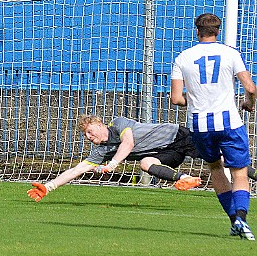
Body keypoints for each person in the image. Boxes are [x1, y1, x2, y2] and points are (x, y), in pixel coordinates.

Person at [170, 12, 256, 241]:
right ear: (218, 31)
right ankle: (241, 218)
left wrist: (197, 99)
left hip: (200, 125)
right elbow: (251, 86)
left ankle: (233, 221)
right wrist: (249, 103)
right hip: (230, 123)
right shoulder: (230, 53)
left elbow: (176, 98)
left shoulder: (183, 57)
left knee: (216, 168)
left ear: (197, 31)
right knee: (239, 172)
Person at [27, 114, 203, 202]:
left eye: (89, 131)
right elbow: (77, 169)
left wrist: (112, 165)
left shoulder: (118, 124)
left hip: (177, 136)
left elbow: (128, 143)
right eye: (85, 134)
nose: (88, 136)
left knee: (219, 160)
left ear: (99, 124)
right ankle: (186, 179)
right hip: (166, 152)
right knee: (146, 163)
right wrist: (49, 186)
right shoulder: (102, 150)